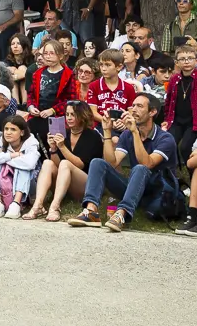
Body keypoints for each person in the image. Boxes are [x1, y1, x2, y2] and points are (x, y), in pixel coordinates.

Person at [67, 94, 181, 231]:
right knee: (98, 163)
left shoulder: (165, 139)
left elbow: (147, 164)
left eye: (139, 106)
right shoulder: (127, 134)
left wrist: (135, 133)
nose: (134, 110)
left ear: (152, 112)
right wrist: (107, 131)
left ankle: (122, 213)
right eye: (133, 105)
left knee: (140, 168)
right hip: (136, 187)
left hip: (158, 192)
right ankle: (91, 211)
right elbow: (111, 162)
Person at [25, 100, 105, 222]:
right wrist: (53, 149)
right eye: (67, 114)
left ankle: (55, 206)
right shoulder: (64, 134)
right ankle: (38, 205)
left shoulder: (92, 136)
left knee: (65, 163)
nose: (69, 118)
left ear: (83, 115)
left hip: (86, 185)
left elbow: (80, 165)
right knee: (48, 163)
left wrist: (62, 147)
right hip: (65, 182)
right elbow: (58, 166)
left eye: (73, 114)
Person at [0, 113, 39, 218]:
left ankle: (16, 204)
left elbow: (30, 164)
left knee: (23, 168)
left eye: (13, 129)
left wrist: (3, 157)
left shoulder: (31, 141)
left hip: (28, 185)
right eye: (6, 129)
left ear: (22, 132)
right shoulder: (0, 141)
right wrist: (13, 155)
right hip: (6, 182)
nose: (8, 133)